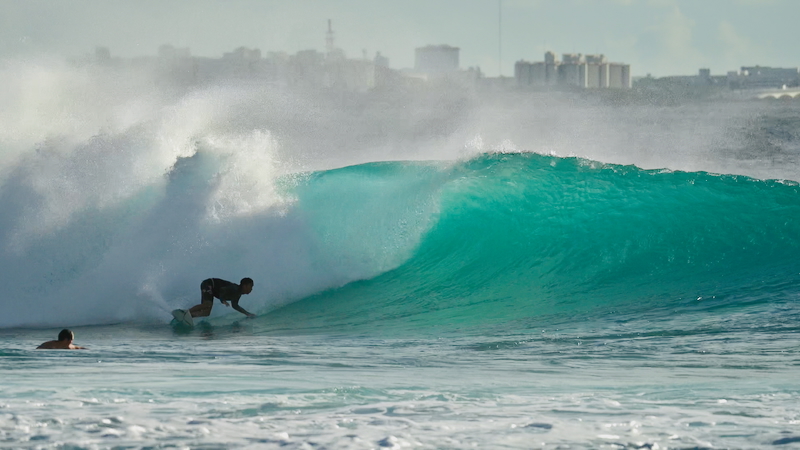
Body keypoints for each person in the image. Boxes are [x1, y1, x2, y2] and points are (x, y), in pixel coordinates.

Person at [189, 277, 256, 319]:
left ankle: (190, 316)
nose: (251, 289)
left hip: (212, 290)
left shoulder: (238, 294)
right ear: (244, 286)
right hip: (209, 284)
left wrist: (247, 313)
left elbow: (235, 305)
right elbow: (222, 290)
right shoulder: (235, 288)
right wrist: (222, 300)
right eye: (251, 286)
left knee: (206, 312)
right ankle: (187, 312)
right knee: (207, 304)